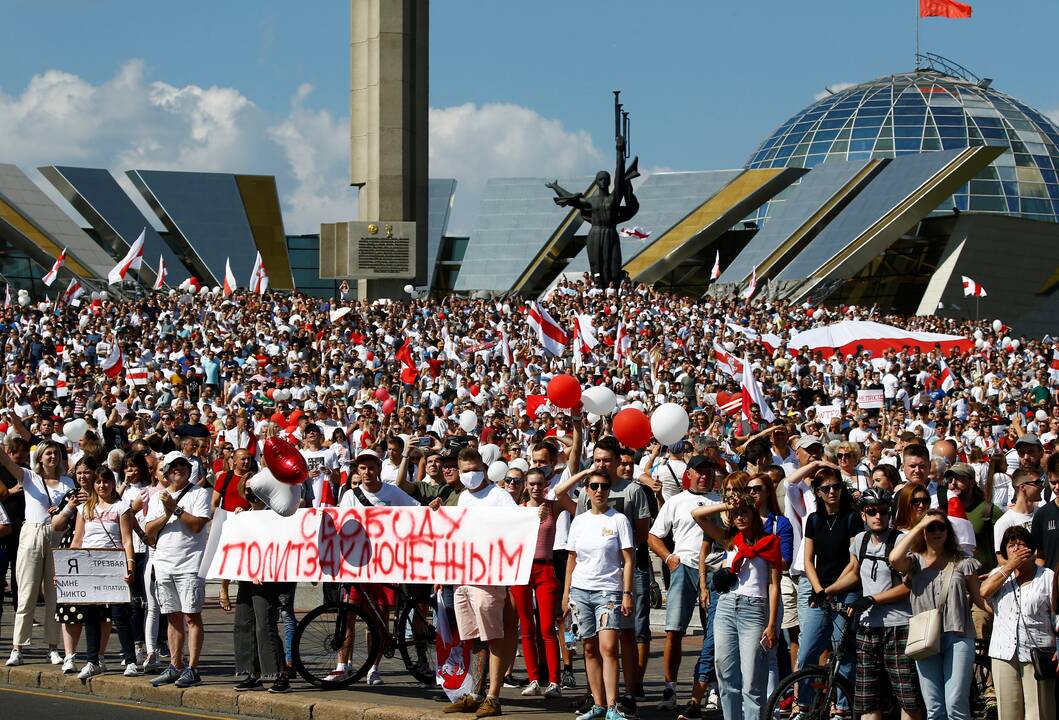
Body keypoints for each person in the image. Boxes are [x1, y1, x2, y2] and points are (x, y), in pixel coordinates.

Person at [828, 488, 922, 720]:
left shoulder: (900, 541)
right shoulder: (860, 540)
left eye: (883, 511)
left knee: (906, 697)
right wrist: (826, 591)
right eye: (872, 511)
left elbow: (908, 586)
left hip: (899, 626)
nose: (878, 516)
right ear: (863, 515)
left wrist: (871, 599)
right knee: (868, 700)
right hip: (868, 627)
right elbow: (854, 573)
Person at [690, 492, 781, 720]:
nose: (739, 517)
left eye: (743, 512)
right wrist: (726, 505)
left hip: (754, 608)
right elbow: (697, 515)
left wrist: (771, 624)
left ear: (754, 514)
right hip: (727, 606)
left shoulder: (769, 543)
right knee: (725, 672)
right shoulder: (730, 540)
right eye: (735, 514)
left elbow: (773, 586)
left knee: (752, 679)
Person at [890, 510, 987, 720]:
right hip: (924, 637)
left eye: (941, 526)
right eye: (930, 527)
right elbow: (894, 558)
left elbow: (979, 599)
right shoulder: (914, 562)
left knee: (956, 706)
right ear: (923, 532)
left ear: (948, 530)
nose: (936, 531)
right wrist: (918, 526)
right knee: (934, 708)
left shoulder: (963, 561)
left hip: (958, 634)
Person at [443, 447, 517, 718]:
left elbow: (516, 527)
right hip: (463, 577)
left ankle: (494, 696)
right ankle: (475, 694)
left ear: (483, 469)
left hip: (489, 577)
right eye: (465, 471)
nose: (470, 475)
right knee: (474, 639)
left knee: (493, 636)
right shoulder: (463, 497)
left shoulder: (499, 497)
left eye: (475, 470)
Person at [647, 454, 720, 711]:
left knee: (715, 634)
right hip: (684, 568)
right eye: (700, 471)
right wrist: (668, 558)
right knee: (674, 631)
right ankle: (670, 689)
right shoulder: (675, 501)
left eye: (709, 472)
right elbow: (654, 536)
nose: (704, 476)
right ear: (688, 473)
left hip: (715, 571)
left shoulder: (721, 501)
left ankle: (711, 687)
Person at [561, 469, 634, 720]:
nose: (600, 490)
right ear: (587, 490)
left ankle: (613, 706)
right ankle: (599, 703)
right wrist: (566, 594)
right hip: (580, 590)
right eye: (595, 486)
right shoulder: (579, 521)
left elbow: (628, 558)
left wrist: (627, 592)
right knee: (589, 648)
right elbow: (571, 559)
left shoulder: (619, 520)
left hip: (609, 591)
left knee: (609, 647)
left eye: (604, 486)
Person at [796, 465, 863, 718]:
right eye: (826, 488)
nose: (833, 491)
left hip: (847, 590)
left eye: (836, 486)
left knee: (842, 652)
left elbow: (854, 563)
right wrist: (819, 589)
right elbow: (808, 560)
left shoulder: (852, 517)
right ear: (818, 492)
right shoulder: (813, 519)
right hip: (821, 591)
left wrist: (832, 590)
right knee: (807, 652)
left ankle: (842, 708)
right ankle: (805, 704)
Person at [144, 452, 212, 688]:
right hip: (163, 563)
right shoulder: (158, 497)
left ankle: (193, 667)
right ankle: (175, 665)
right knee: (172, 616)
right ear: (166, 471)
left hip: (190, 563)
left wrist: (177, 510)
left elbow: (197, 526)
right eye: (173, 466)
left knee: (191, 616)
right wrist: (167, 511)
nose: (179, 469)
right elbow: (149, 531)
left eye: (183, 465)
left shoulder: (200, 493)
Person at [2, 439, 72, 666]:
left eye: (56, 454)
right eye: (48, 453)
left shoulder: (68, 482)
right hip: (32, 534)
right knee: (27, 594)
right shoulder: (29, 476)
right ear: (40, 457)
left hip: (56, 536)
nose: (53, 457)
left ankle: (53, 647)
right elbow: (4, 459)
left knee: (54, 595)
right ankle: (18, 647)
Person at [511, 466, 576, 698]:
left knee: (547, 627)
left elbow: (575, 507)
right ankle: (534, 678)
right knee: (527, 628)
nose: (537, 488)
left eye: (540, 484)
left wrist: (584, 474)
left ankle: (554, 682)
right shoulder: (518, 510)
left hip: (545, 567)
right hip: (522, 569)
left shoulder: (552, 506)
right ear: (526, 486)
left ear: (545, 485)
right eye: (533, 484)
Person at [980, 526, 1056, 720]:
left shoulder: (1047, 576)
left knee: (1039, 712)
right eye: (1011, 545)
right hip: (1003, 653)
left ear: (1032, 550)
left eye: (1021, 544)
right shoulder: (999, 574)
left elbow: (1058, 614)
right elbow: (984, 591)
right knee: (1008, 712)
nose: (1015, 548)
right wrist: (1009, 566)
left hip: (1037, 654)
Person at [70, 466, 137, 680]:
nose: (102, 485)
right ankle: (93, 661)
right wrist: (65, 571)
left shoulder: (121, 507)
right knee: (91, 616)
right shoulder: (84, 509)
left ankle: (131, 660)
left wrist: (130, 565)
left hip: (114, 566)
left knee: (120, 615)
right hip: (90, 568)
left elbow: (127, 540)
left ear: (112, 483)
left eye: (106, 481)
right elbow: (77, 540)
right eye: (98, 482)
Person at [50, 455, 95, 673]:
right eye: (79, 472)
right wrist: (68, 507)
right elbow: (56, 525)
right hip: (72, 551)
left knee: (100, 609)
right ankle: (69, 656)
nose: (82, 476)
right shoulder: (71, 495)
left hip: (97, 552)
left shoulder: (104, 494)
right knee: (70, 605)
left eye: (86, 472)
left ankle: (97, 657)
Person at [994, 468, 1043, 563]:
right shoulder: (1004, 522)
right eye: (1037, 483)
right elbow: (1002, 560)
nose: (1041, 487)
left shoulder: (1043, 514)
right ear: (1022, 487)